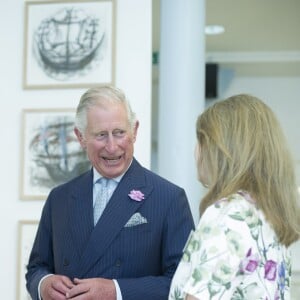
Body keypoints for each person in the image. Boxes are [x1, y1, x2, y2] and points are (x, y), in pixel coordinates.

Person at [26, 85, 195, 300]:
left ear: (134, 131)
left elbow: (184, 283)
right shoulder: (59, 198)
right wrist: (43, 284)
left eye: (119, 133)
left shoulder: (169, 198)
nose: (112, 146)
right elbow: (37, 267)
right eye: (101, 135)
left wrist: (116, 291)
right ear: (80, 137)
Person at [169, 94, 300, 300]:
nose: (196, 151)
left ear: (221, 149)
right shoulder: (269, 214)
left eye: (201, 140)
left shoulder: (227, 214)